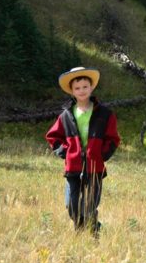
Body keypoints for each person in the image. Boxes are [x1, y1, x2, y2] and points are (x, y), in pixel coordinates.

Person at [45, 66, 120, 234]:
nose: (81, 91)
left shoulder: (105, 114)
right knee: (71, 206)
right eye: (77, 88)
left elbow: (113, 138)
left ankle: (91, 235)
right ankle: (83, 229)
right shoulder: (66, 115)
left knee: (89, 206)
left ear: (92, 87)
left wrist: (102, 155)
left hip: (95, 168)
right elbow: (53, 137)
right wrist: (67, 153)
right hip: (73, 168)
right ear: (71, 91)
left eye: (85, 87)